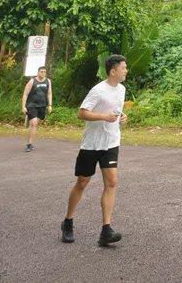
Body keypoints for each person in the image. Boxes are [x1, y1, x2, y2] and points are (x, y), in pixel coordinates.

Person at [61, 55, 127, 246]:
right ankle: (68, 222)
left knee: (112, 182)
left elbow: (115, 110)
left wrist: (122, 117)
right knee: (82, 182)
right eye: (123, 68)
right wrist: (103, 117)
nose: (126, 71)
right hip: (92, 144)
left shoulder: (122, 89)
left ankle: (106, 230)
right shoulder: (98, 90)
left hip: (111, 141)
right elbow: (81, 113)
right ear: (113, 71)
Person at [21, 66, 52, 152]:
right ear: (38, 72)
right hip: (32, 105)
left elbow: (49, 93)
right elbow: (25, 94)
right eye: (41, 71)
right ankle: (29, 144)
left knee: (36, 124)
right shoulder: (32, 81)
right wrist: (23, 106)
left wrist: (50, 105)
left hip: (42, 106)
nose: (43, 73)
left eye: (44, 72)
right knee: (33, 123)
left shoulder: (48, 81)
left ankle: (31, 136)